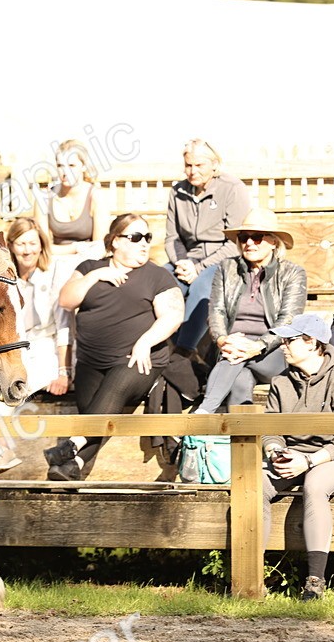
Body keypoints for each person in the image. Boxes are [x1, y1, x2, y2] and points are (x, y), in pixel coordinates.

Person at [44, 214, 183, 480]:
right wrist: (97, 275)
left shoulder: (157, 275)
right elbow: (66, 301)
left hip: (139, 359)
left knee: (115, 386)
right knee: (97, 412)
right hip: (91, 362)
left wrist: (145, 342)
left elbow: (173, 315)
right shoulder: (89, 267)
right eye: (135, 237)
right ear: (114, 241)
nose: (144, 243)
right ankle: (71, 466)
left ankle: (70, 446)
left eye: (147, 237)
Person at [0, 217, 74, 480]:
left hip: (48, 348)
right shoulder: (5, 279)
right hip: (17, 348)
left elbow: (65, 327)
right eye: (21, 243)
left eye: (32, 243)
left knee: (5, 387)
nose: (27, 249)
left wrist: (64, 370)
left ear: (41, 245)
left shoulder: (54, 274)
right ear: (11, 246)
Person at [194, 208, 306, 413]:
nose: (249, 243)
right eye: (244, 237)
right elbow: (216, 310)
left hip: (272, 352)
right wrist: (223, 340)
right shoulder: (226, 268)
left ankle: (205, 411)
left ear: (274, 242)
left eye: (257, 237)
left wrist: (257, 346)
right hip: (230, 348)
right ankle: (240, 439)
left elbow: (287, 321)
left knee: (235, 358)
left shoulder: (293, 273)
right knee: (241, 379)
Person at [261, 313, 334, 601]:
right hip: (293, 456)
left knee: (316, 483)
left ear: (311, 343)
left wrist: (308, 461)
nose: (282, 345)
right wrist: (274, 451)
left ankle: (315, 582)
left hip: (333, 457)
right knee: (254, 483)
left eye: (289, 340)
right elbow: (270, 429)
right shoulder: (280, 381)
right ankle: (252, 577)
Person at [165, 139, 252, 355]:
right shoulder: (177, 191)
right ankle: (164, 346)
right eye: (188, 165)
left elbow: (236, 240)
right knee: (160, 282)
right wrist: (182, 263)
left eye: (199, 165)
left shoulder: (232, 188)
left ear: (214, 165)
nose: (192, 171)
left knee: (202, 286)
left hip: (224, 258)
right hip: (187, 260)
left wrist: (200, 268)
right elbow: (172, 238)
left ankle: (183, 351)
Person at [34, 139, 107, 261]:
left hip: (89, 262)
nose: (65, 172)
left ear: (83, 166)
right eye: (60, 166)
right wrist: (76, 247)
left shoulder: (96, 196)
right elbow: (43, 247)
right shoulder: (44, 198)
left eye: (72, 165)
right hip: (55, 262)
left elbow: (99, 247)